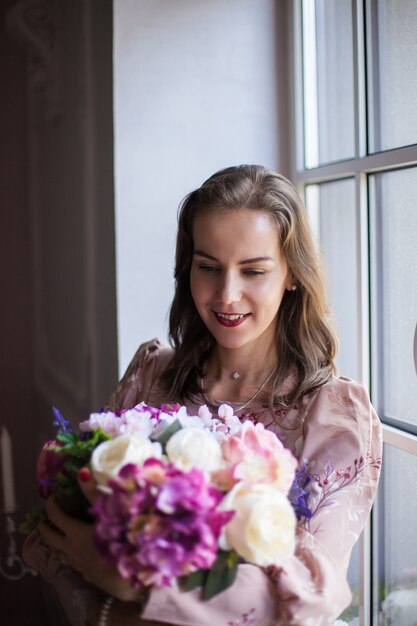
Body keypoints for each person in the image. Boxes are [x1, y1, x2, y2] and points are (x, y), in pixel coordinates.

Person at [24, 165, 382, 626]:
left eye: (253, 271)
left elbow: (314, 594)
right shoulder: (151, 373)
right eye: (208, 267)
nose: (227, 295)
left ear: (292, 274)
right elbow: (59, 532)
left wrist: (140, 591)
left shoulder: (332, 416)